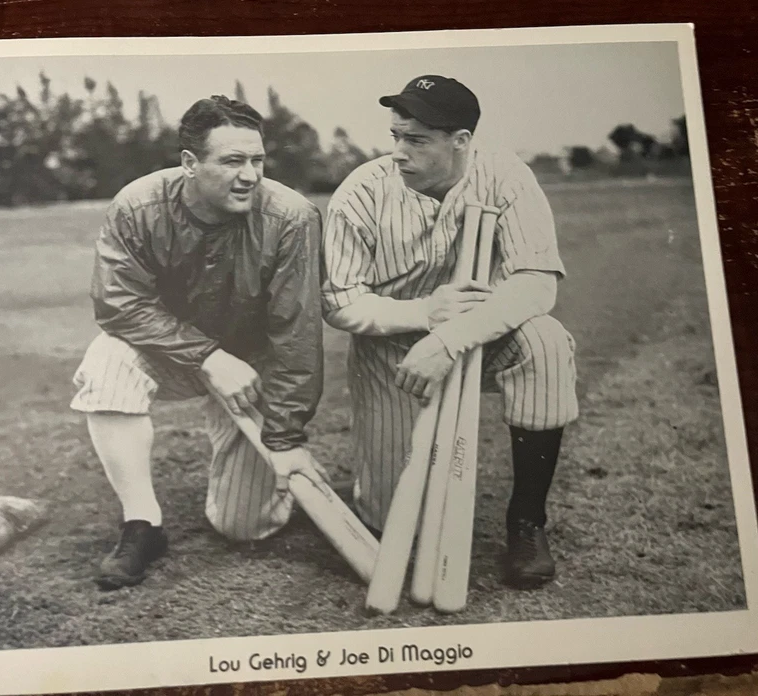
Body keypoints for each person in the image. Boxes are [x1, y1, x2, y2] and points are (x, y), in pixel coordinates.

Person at [321, 75, 579, 589]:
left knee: (546, 342)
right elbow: (340, 302)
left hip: (482, 337)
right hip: (392, 351)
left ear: (460, 141)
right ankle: (385, 492)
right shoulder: (363, 191)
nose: (398, 151)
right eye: (395, 136)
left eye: (415, 140)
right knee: (391, 518)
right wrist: (425, 317)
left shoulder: (505, 176)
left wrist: (448, 338)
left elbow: (535, 285)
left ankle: (526, 520)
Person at [70, 95, 327, 590]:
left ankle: (272, 480)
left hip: (253, 369)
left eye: (257, 160)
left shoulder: (292, 216)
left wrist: (287, 434)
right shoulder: (138, 204)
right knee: (107, 364)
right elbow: (116, 305)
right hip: (173, 354)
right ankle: (142, 523)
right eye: (232, 161)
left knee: (244, 526)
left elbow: (296, 332)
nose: (250, 175)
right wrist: (206, 356)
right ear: (189, 163)